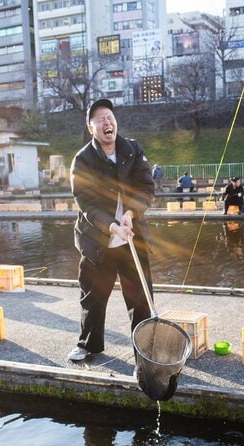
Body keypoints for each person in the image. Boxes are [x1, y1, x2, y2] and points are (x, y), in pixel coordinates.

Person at [68, 98, 155, 362]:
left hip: (131, 236)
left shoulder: (132, 149)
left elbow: (146, 188)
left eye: (110, 117)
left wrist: (130, 214)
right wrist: (111, 225)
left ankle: (143, 349)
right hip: (97, 239)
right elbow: (86, 202)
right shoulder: (82, 159)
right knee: (92, 297)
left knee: (140, 298)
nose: (107, 122)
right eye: (100, 119)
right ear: (90, 127)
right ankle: (88, 344)